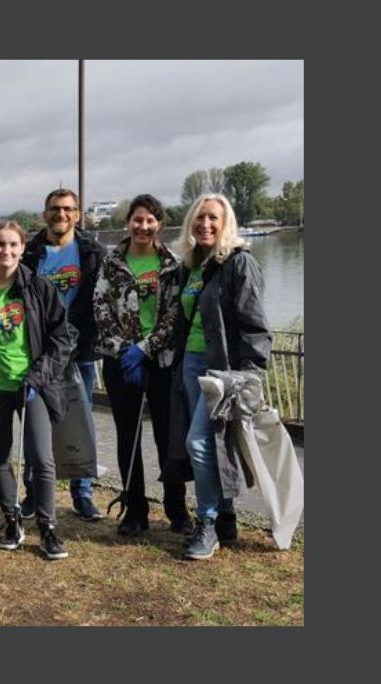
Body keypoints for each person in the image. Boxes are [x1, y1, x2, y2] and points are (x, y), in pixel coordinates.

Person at [169, 194, 270, 560]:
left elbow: (255, 326)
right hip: (191, 365)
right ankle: (226, 519)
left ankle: (208, 522)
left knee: (199, 443)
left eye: (213, 218)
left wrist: (250, 375)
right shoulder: (191, 264)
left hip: (222, 369)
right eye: (199, 218)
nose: (205, 224)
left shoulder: (240, 263)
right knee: (212, 444)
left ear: (226, 223)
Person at [0, 221, 77, 560]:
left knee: (41, 458)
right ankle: (12, 520)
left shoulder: (39, 287)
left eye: (13, 245)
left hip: (33, 386)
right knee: (1, 457)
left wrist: (38, 377)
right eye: (0, 245)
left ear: (22, 248)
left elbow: (62, 338)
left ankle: (48, 528)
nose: (7, 251)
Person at [93, 194, 192, 536]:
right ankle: (135, 509)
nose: (143, 226)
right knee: (128, 436)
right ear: (128, 222)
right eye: (137, 219)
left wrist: (146, 349)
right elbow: (100, 308)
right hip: (122, 364)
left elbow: (174, 314)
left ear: (159, 225)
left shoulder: (173, 264)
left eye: (150, 220)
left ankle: (176, 508)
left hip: (161, 361)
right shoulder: (111, 262)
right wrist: (124, 351)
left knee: (168, 435)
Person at [19, 189, 108, 522]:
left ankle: (82, 494)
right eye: (55, 209)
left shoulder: (92, 253)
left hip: (79, 353)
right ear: (45, 214)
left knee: (80, 424)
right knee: (36, 425)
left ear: (78, 214)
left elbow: (102, 302)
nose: (62, 215)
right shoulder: (29, 254)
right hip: (38, 352)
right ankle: (33, 494)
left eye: (68, 209)